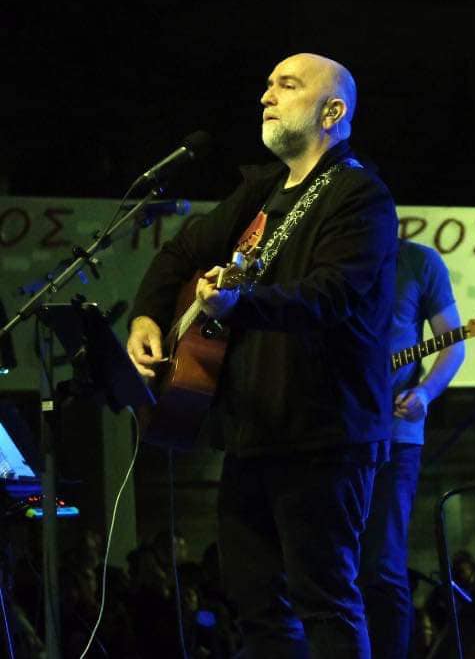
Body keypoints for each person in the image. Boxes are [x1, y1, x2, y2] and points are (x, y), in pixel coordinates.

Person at [126, 52, 399, 658]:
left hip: (324, 434)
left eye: (286, 85)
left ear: (332, 111)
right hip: (252, 432)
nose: (266, 96)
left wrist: (239, 304)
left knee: (324, 600)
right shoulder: (261, 190)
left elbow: (330, 295)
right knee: (255, 604)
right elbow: (180, 252)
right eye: (268, 84)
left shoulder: (360, 195)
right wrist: (145, 315)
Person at [359, 239, 465, 657]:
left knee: (382, 565)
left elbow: (454, 344)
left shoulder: (419, 261)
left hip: (395, 437)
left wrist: (425, 392)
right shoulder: (331, 256)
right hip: (330, 434)